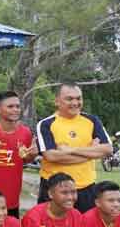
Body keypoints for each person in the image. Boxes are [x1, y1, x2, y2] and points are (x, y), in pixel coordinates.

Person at [36, 83, 112, 213]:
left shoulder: (92, 121)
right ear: (57, 101)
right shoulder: (46, 124)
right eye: (69, 99)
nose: (75, 103)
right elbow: (51, 156)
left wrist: (70, 150)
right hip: (55, 191)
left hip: (86, 189)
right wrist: (91, 153)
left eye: (79, 98)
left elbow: (107, 149)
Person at [0, 91, 37, 219]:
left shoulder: (26, 133)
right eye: (10, 106)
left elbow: (23, 160)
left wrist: (32, 156)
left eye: (17, 106)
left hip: (13, 199)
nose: (15, 110)